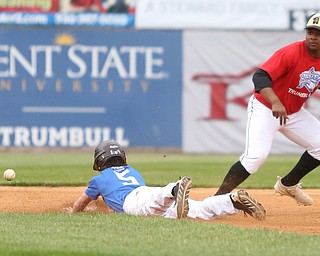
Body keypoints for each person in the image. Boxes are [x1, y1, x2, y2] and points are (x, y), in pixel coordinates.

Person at [214, 13, 320, 206]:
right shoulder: (291, 53)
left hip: (293, 113)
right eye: (310, 32)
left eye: (318, 34)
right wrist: (275, 101)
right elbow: (260, 77)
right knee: (255, 157)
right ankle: (217, 199)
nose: (313, 37)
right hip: (266, 107)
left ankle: (288, 184)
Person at [66, 140, 266, 221]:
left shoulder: (98, 179)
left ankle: (175, 188)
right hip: (144, 195)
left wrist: (73, 212)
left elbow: (80, 203)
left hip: (134, 202)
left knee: (152, 202)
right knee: (197, 211)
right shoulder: (132, 171)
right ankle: (232, 201)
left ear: (100, 161)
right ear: (123, 158)